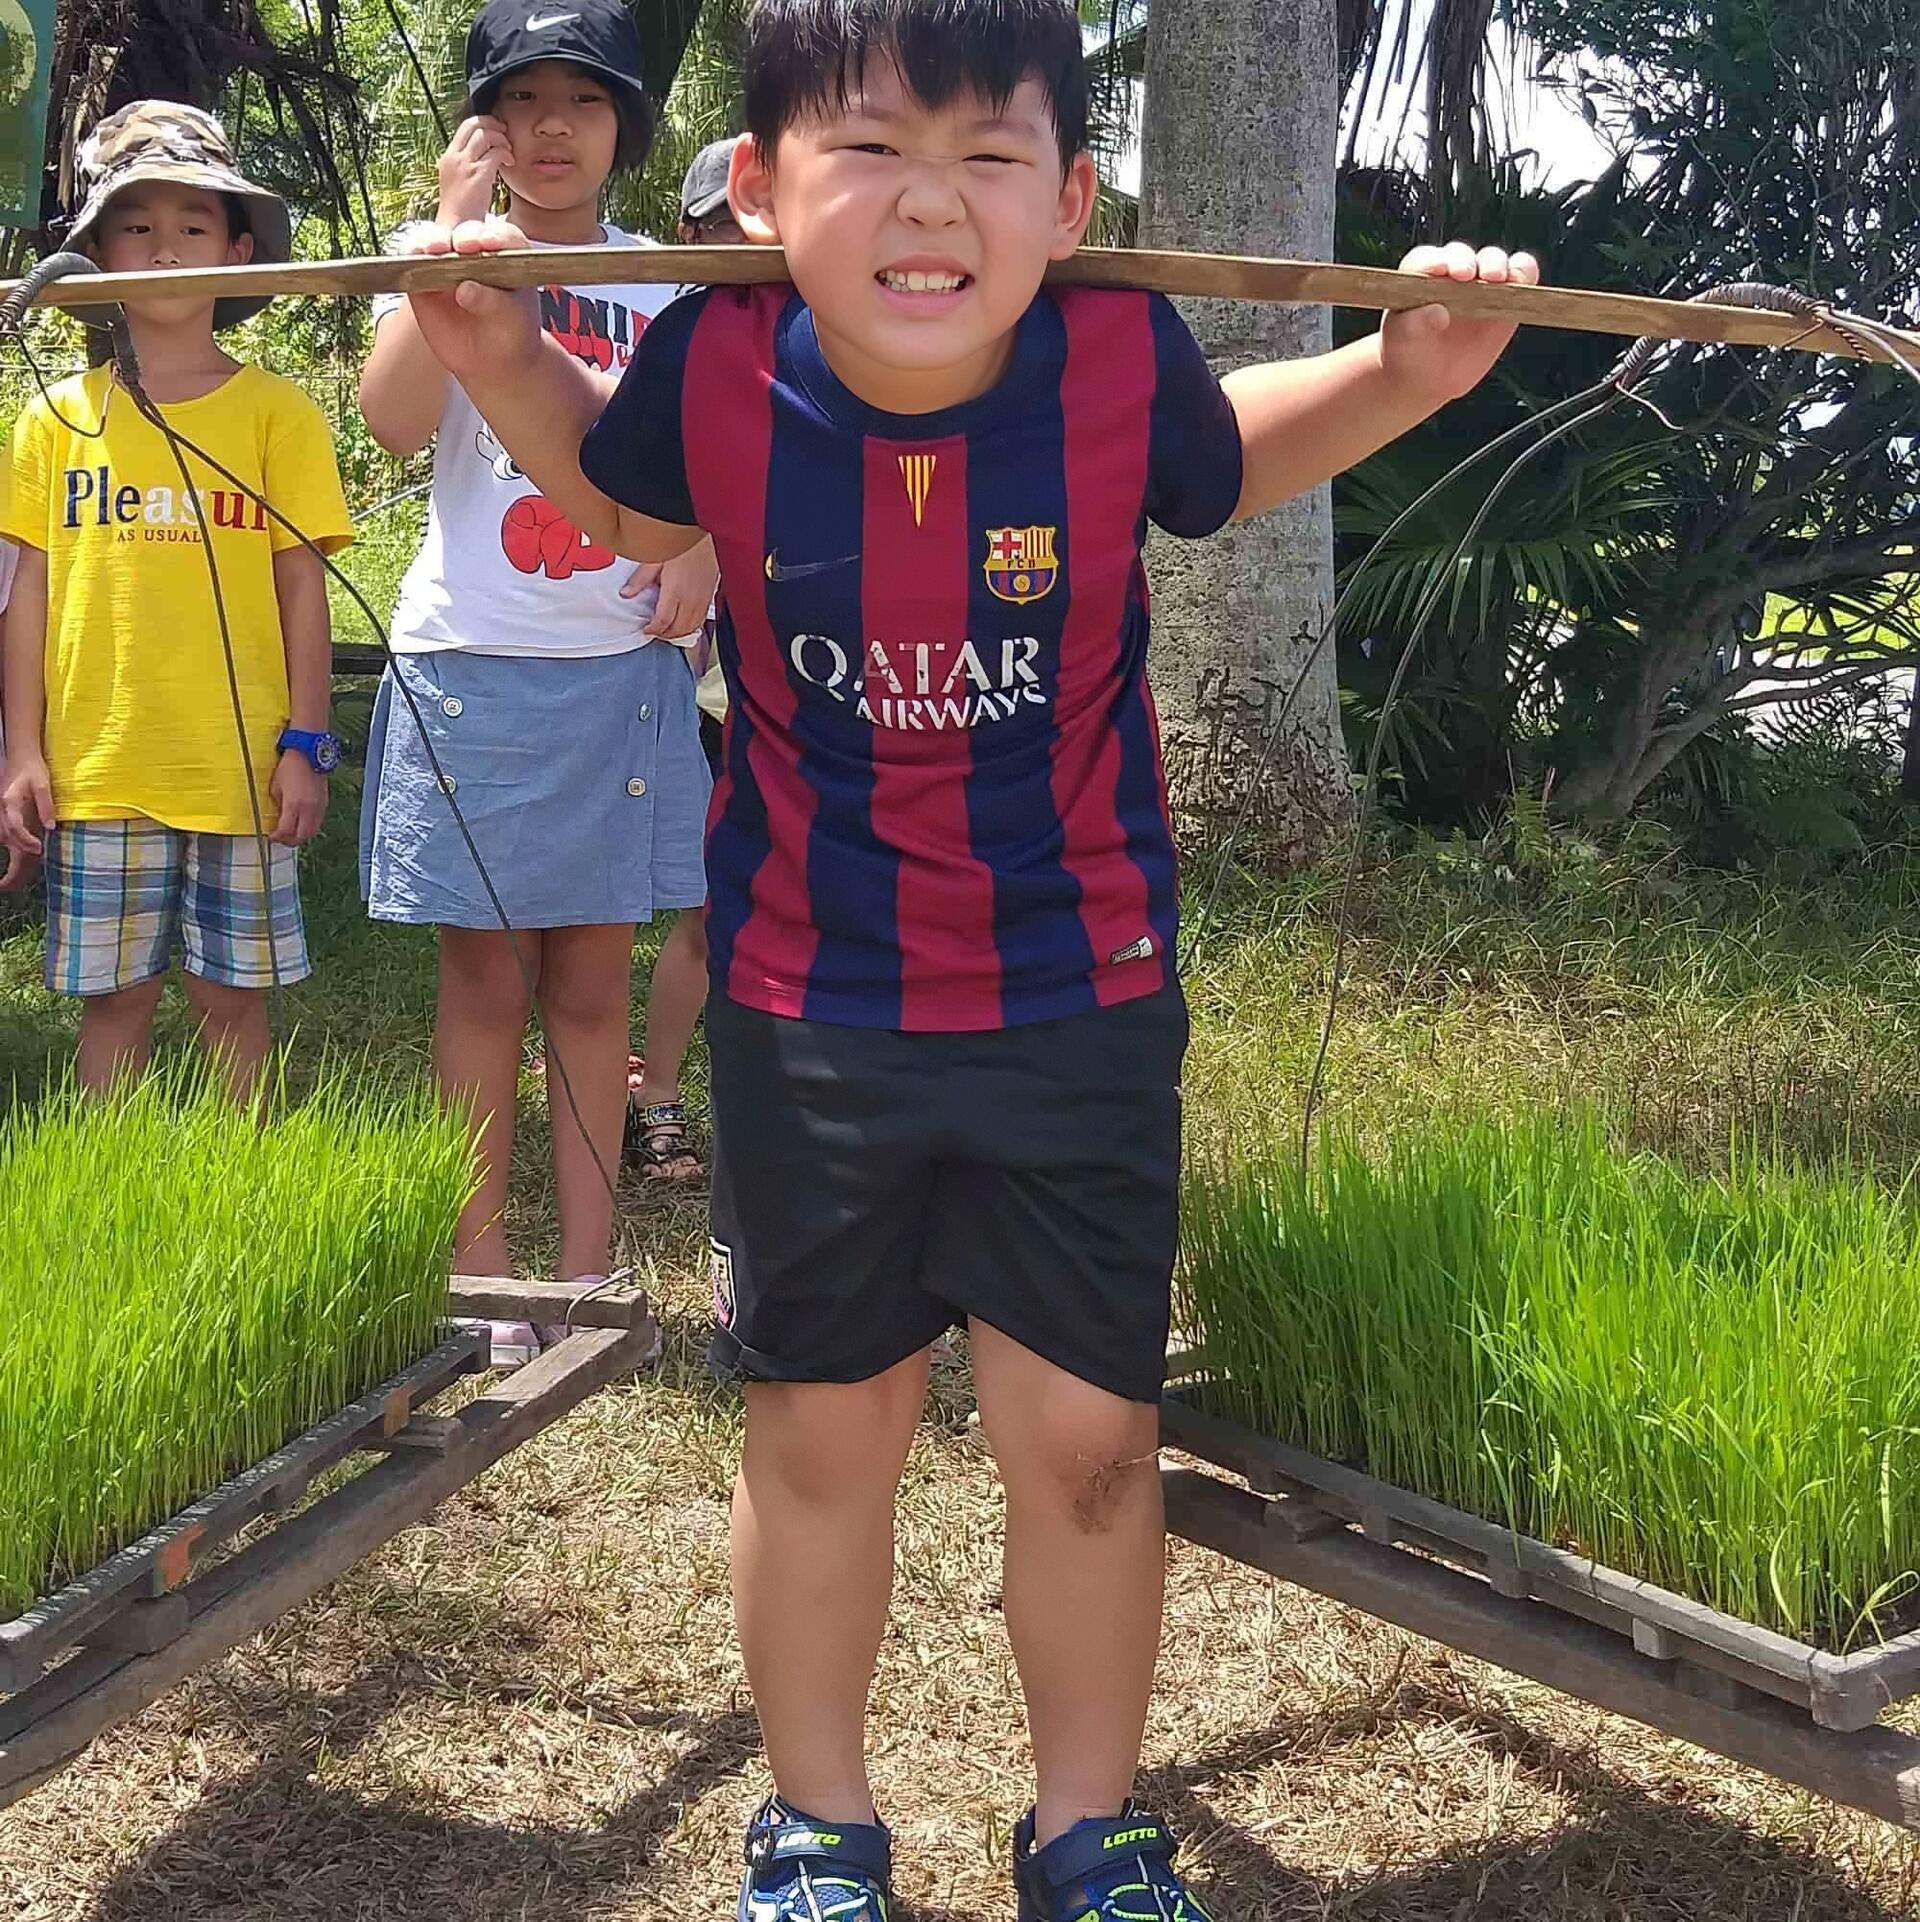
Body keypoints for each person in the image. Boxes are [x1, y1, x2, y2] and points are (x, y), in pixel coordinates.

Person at [400, 0, 1541, 1913]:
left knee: (1089, 1439)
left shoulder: (1115, 354)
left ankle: (1088, 1827)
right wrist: (501, 353)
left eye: (988, 156)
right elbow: (620, 492)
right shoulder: (720, 359)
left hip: (1077, 998)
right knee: (820, 1430)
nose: (931, 203)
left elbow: (1225, 459)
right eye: (870, 149)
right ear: (759, 188)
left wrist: (1405, 369)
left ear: (1072, 199)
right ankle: (818, 1828)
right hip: (806, 1003)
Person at [358, 0, 717, 1360]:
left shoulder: (668, 284)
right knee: (483, 984)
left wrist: (706, 552)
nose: (551, 127)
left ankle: (586, 1269)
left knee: (591, 986)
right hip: (473, 666)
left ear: (627, 123)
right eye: (520, 100)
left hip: (619, 672)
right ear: (482, 126)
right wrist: (448, 241)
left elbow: (714, 457)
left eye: (583, 99)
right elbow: (394, 421)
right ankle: (481, 1268)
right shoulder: (438, 255)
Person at [0, 102, 349, 1098]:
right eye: (136, 226)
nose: (163, 249)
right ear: (95, 254)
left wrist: (307, 742)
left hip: (241, 767)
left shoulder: (278, 414)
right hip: (101, 764)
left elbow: (301, 587)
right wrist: (22, 752)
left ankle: (242, 1168)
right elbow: (26, 595)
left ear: (236, 251)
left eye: (192, 225)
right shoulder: (53, 420)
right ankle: (110, 1170)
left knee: (230, 995)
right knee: (114, 997)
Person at [617, 134, 753, 1183]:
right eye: (716, 227)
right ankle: (654, 1092)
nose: (739, 244)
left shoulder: (850, 333)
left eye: (754, 223)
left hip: (830, 666)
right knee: (713, 903)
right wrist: (702, 542)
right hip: (709, 678)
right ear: (687, 232)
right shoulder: (672, 343)